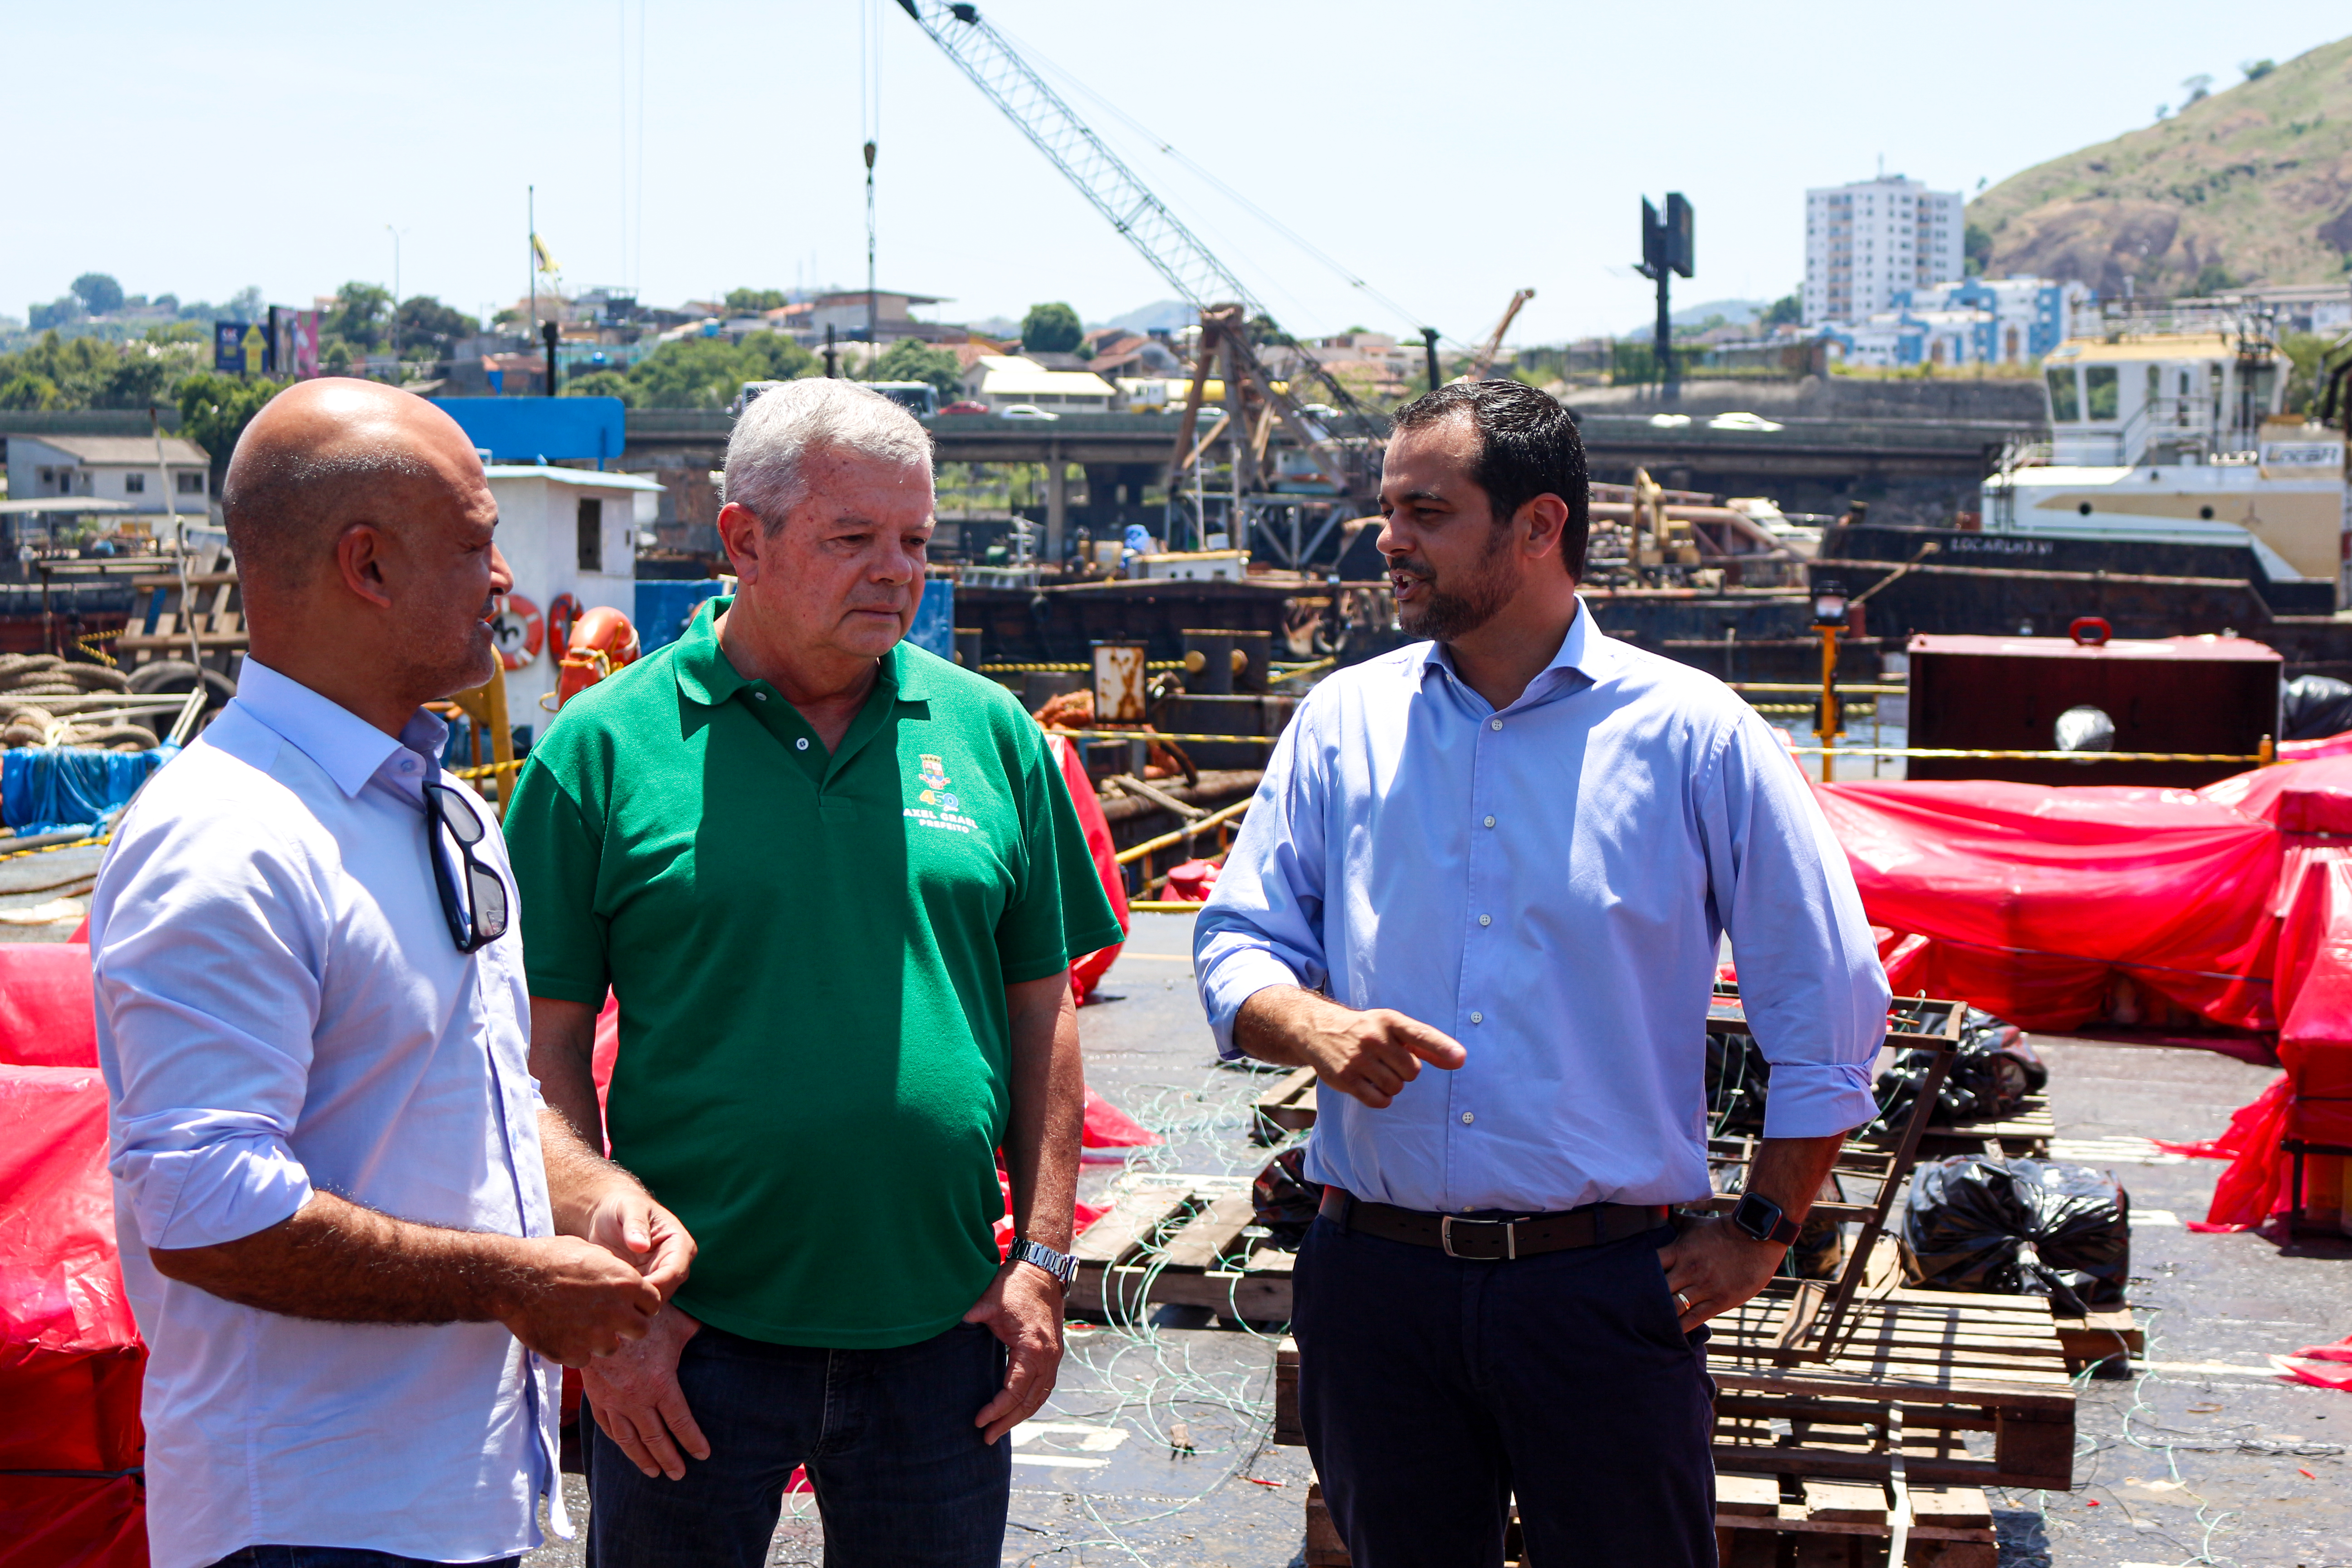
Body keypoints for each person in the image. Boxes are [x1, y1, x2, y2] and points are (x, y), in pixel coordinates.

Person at [1194, 380, 1889, 1566]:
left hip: (1603, 1294)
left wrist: (1766, 1227)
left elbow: (1824, 996)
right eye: (1388, 509)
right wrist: (1314, 1029)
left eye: (1426, 511)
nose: (1388, 541)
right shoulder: (1340, 723)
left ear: (1538, 525)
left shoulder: (1694, 733)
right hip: (1377, 1289)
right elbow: (1236, 940)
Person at [503, 378, 1123, 1568]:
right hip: (689, 1343)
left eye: (916, 541)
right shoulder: (602, 750)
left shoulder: (994, 737)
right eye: (854, 539)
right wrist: (606, 1307)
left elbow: (1043, 1015)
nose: (898, 571)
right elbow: (538, 1061)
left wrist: (1043, 1262)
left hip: (946, 1340)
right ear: (743, 539)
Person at [89, 379, 694, 1568]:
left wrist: (589, 1201)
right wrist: (513, 1284)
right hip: (304, 1524)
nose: (507, 580)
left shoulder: (446, 813)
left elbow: (472, 1096)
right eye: (476, 544)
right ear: (366, 566)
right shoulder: (228, 838)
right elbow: (203, 1207)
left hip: (450, 1504)